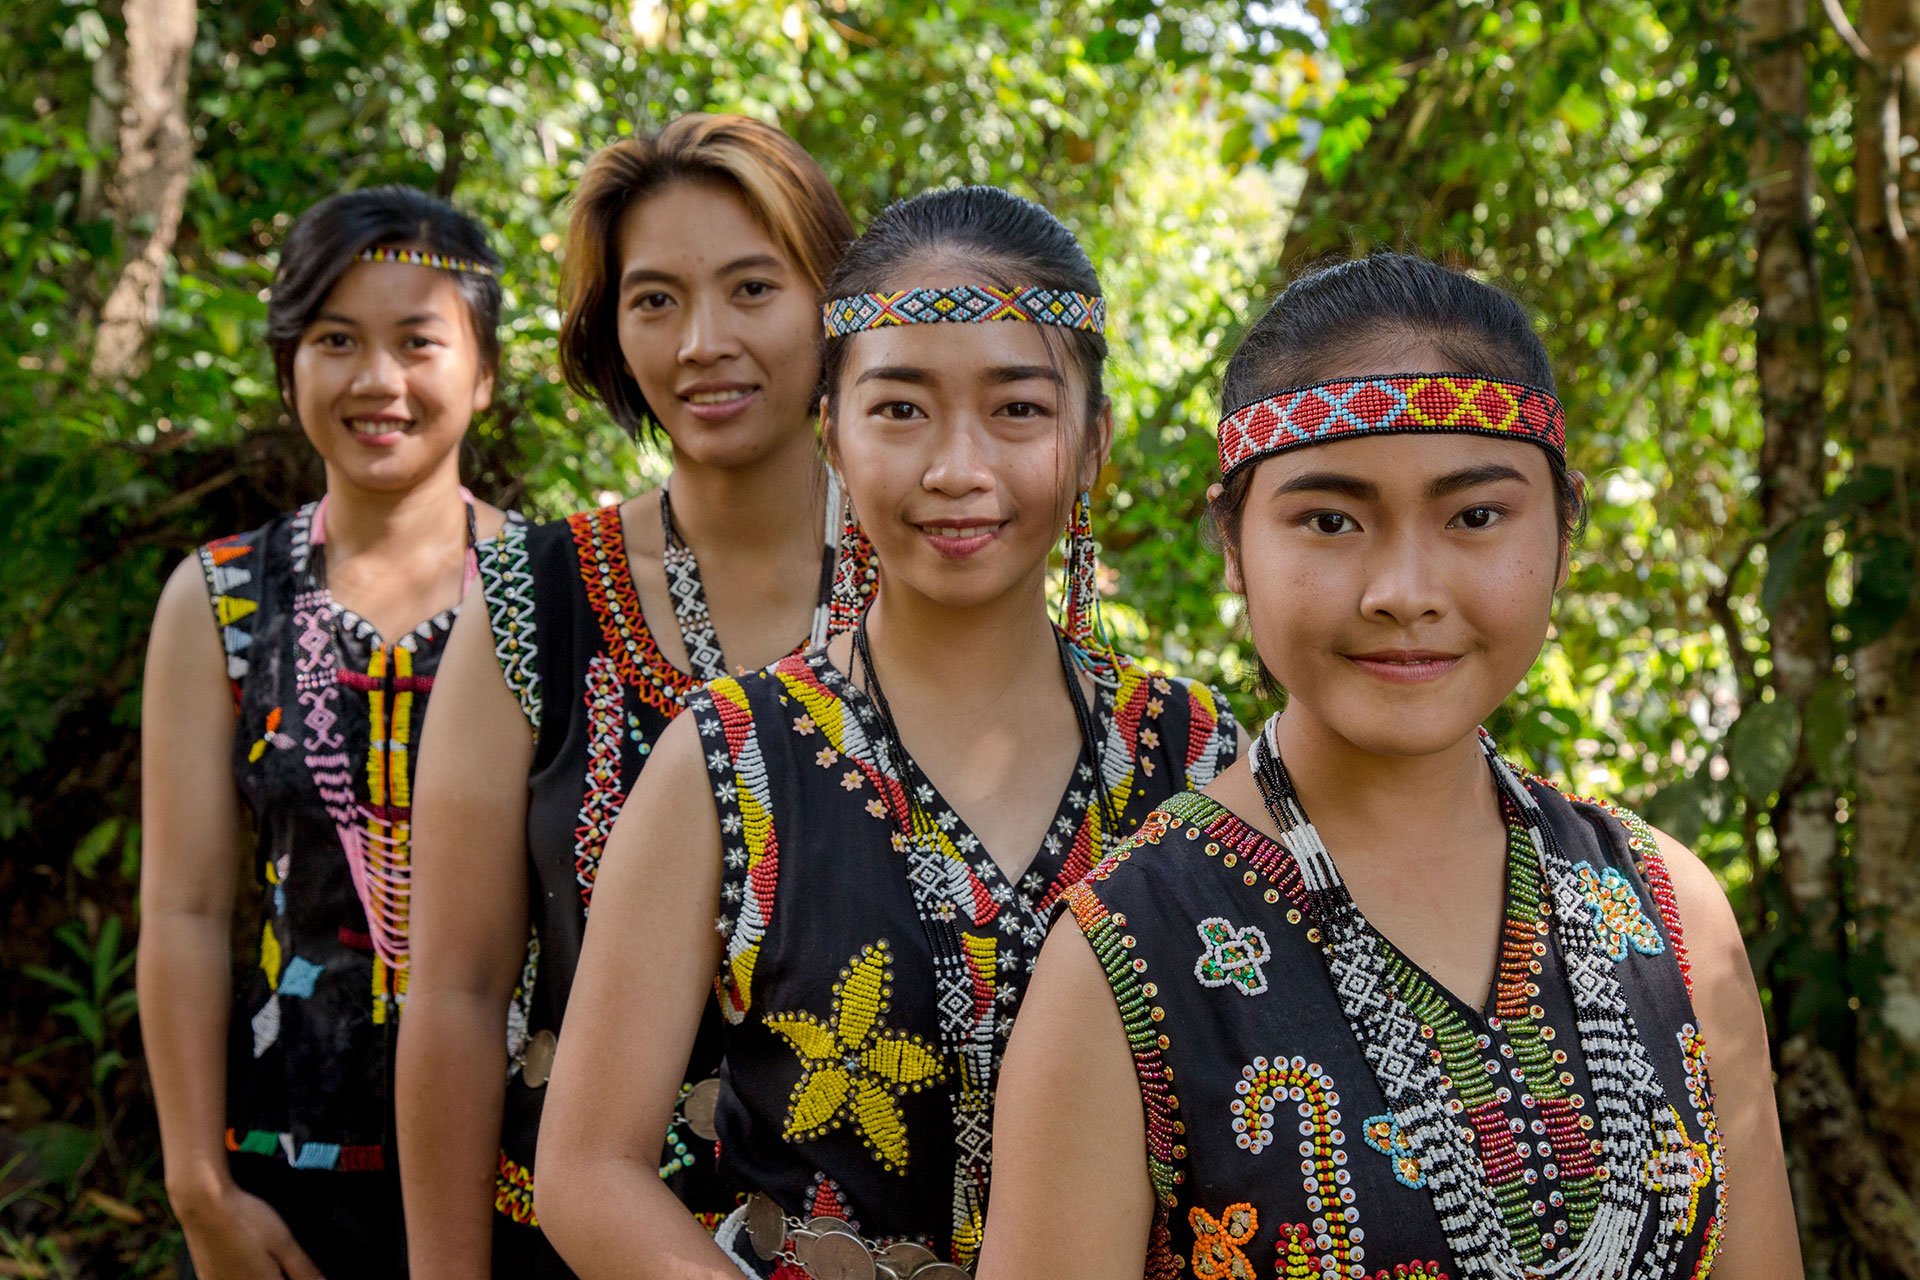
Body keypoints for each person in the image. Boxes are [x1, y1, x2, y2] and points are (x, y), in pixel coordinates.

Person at [977, 253, 1803, 1280]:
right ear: (1233, 539)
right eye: (1330, 519)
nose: (1404, 589)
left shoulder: (1673, 911)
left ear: (1564, 523)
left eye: (1474, 516)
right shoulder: (1123, 960)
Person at [533, 185, 1244, 1280]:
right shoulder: (728, 757)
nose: (957, 468)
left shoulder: (1195, 757)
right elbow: (586, 1169)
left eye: (1018, 410)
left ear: (1092, 441)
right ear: (834, 433)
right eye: (901, 409)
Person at [396, 114, 873, 1279]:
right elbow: (456, 992)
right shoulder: (531, 601)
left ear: (835, 301)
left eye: (753, 286)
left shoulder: (946, 573)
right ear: (610, 334)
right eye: (654, 299)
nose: (704, 341)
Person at [138, 186, 515, 1279]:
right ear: (290, 367)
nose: (377, 380)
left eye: (418, 341)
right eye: (336, 340)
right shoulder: (219, 599)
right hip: (282, 1161)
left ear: (482, 373)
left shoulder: (553, 592)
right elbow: (186, 905)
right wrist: (197, 1185)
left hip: (517, 1165)